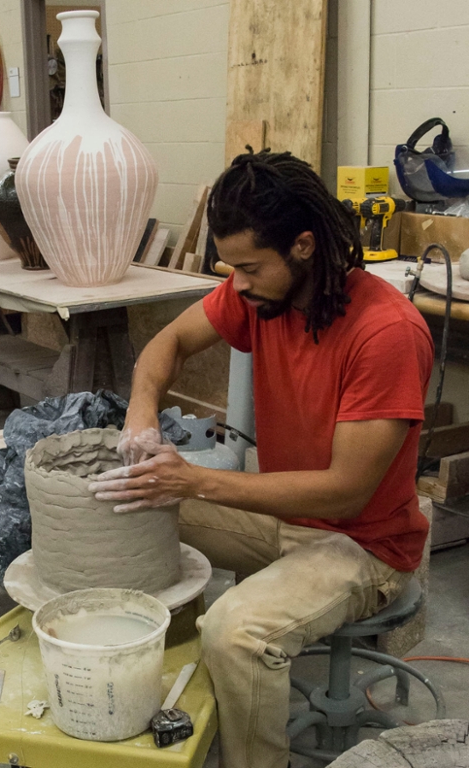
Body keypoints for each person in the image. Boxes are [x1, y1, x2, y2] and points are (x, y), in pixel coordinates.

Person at [89, 151, 433, 768]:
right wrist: (141, 412)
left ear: (304, 246)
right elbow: (167, 343)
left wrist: (194, 480)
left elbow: (343, 493)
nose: (236, 283)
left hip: (364, 546)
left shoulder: (386, 333)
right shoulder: (260, 295)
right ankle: (170, 712)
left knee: (235, 632)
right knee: (119, 510)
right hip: (284, 515)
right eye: (230, 267)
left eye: (249, 267)